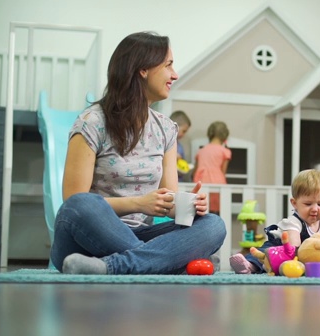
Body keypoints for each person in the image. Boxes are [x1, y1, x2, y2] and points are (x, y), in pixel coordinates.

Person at [50, 31, 226, 275]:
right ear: (143, 69)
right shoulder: (91, 123)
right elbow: (73, 202)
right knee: (82, 204)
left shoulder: (166, 129)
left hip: (136, 237)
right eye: (168, 65)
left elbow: (170, 201)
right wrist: (139, 204)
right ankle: (164, 263)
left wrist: (190, 206)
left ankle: (113, 267)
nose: (174, 75)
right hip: (83, 240)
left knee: (213, 225)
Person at [229, 169, 320, 274]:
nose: (315, 209)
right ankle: (249, 265)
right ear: (294, 203)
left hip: (308, 257)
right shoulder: (294, 222)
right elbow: (294, 248)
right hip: (284, 248)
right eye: (308, 204)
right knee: (265, 253)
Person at [191, 121, 231, 214]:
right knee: (215, 209)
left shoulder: (201, 150)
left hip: (201, 181)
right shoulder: (225, 151)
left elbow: (195, 170)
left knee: (200, 206)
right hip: (217, 182)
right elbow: (223, 171)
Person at [169, 110, 192, 182]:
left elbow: (182, 165)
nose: (184, 135)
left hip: (178, 180)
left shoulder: (180, 147)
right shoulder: (164, 143)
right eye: (184, 131)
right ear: (175, 126)